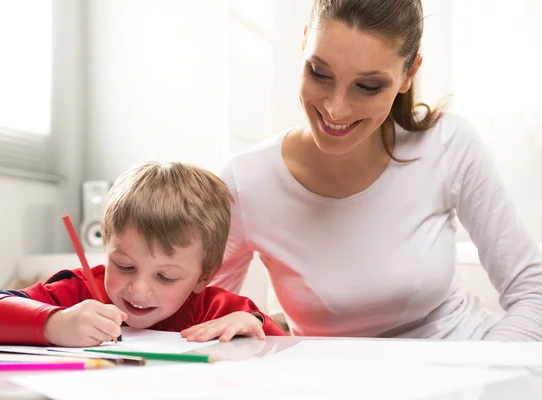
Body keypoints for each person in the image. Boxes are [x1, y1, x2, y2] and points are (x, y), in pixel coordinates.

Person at [210, 0, 542, 341]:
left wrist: (486, 381)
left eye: (368, 87)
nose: (336, 109)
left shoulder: (448, 144)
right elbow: (198, 315)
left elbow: (533, 292)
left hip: (466, 365)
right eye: (319, 73)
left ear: (409, 75)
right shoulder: (245, 181)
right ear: (305, 41)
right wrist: (254, 327)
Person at [0, 162, 288, 347]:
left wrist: (252, 323)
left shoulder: (215, 309)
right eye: (125, 265)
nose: (138, 289)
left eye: (165, 276)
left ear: (204, 276)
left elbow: (288, 351)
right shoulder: (79, 292)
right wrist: (54, 324)